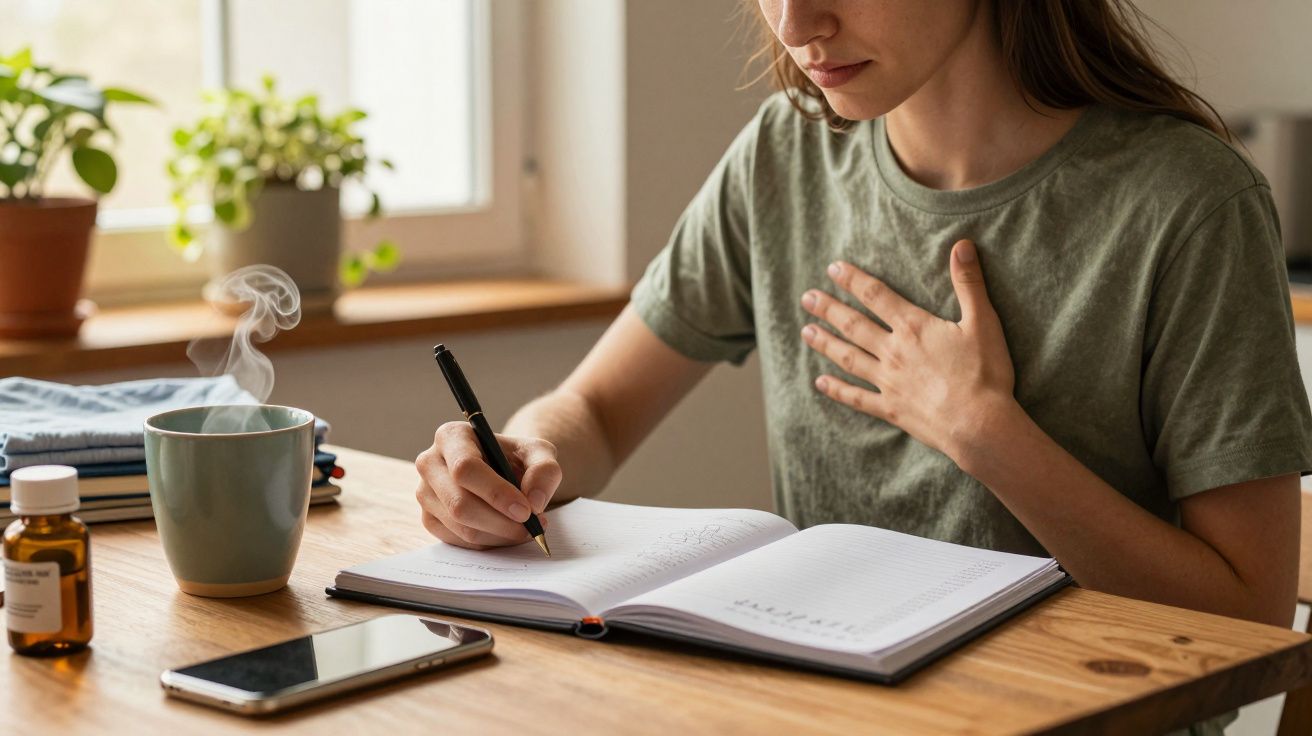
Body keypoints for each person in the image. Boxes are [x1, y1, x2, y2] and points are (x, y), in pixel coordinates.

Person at [416, 4, 1310, 728]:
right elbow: (598, 412)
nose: (795, 24)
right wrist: (516, 460)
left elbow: (1247, 621)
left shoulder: (1190, 205)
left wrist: (987, 434)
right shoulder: (784, 154)